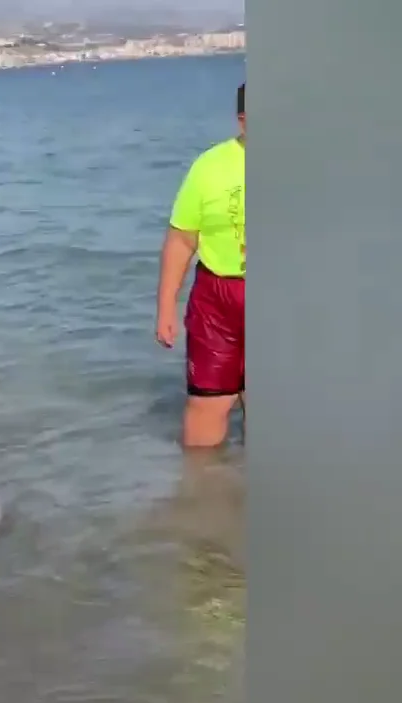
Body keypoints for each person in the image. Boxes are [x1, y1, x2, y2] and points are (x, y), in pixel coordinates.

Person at [156, 83, 246, 449]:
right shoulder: (209, 167)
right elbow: (182, 240)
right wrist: (166, 309)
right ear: (243, 120)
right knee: (207, 404)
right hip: (217, 300)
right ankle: (200, 500)